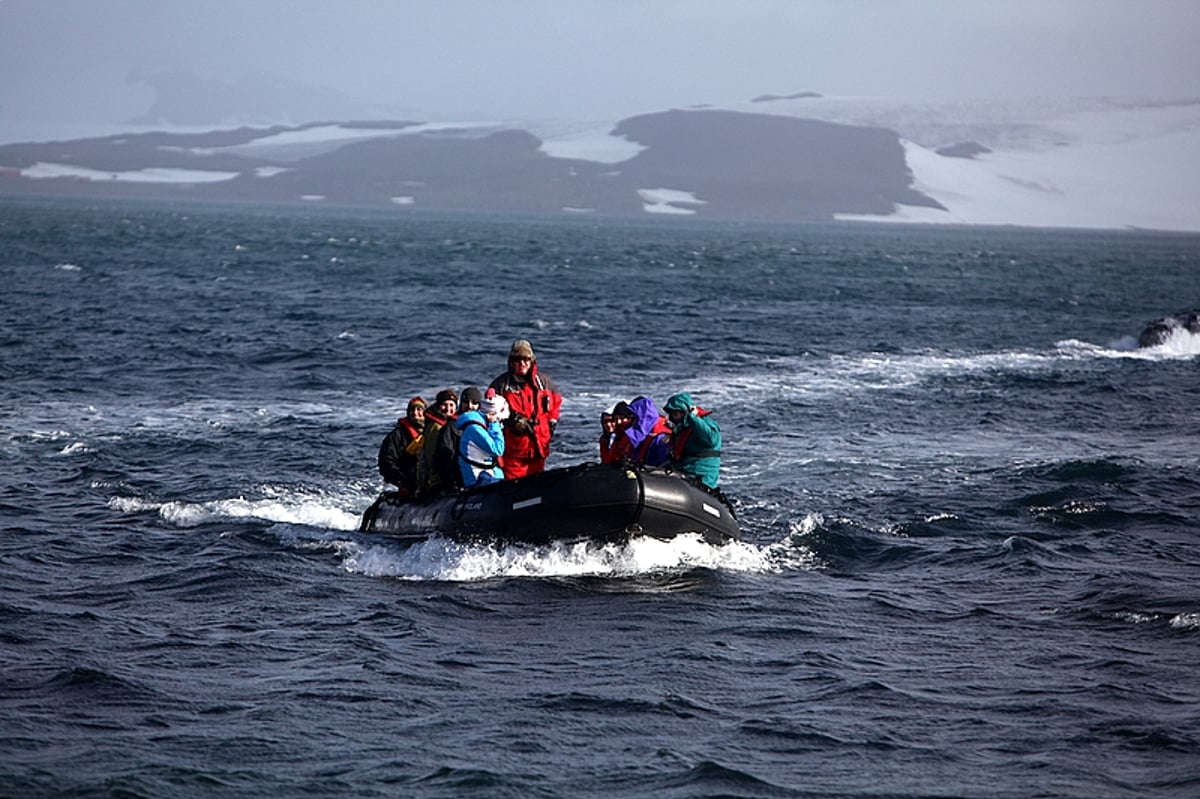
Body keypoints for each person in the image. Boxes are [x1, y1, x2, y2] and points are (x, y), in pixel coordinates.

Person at [489, 339, 562, 479]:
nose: (522, 363)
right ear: (511, 362)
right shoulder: (501, 385)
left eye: (525, 359)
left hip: (539, 448)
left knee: (538, 487)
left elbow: (556, 404)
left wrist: (551, 425)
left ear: (532, 360)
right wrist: (511, 421)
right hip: (513, 452)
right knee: (513, 491)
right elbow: (489, 412)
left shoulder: (544, 383)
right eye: (517, 359)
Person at [663, 392, 722, 489]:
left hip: (701, 478)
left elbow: (711, 440)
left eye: (676, 414)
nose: (673, 418)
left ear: (685, 412)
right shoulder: (681, 429)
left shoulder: (704, 423)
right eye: (672, 414)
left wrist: (693, 418)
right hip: (683, 474)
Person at [457, 389, 508, 488]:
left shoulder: (482, 425)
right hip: (477, 477)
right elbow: (498, 450)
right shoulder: (474, 428)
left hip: (488, 473)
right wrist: (494, 424)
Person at [433, 386, 482, 489]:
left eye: (474, 402)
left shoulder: (486, 424)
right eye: (466, 402)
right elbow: (445, 456)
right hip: (460, 480)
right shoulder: (452, 426)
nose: (469, 406)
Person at [377, 396, 426, 495]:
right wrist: (401, 482)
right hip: (408, 484)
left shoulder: (431, 432)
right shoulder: (397, 436)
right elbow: (386, 462)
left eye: (419, 409)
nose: (416, 413)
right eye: (412, 410)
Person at [417, 388, 458, 494]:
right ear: (438, 405)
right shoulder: (435, 427)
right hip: (438, 479)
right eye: (444, 404)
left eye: (451, 405)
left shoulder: (453, 425)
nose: (448, 409)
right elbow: (431, 455)